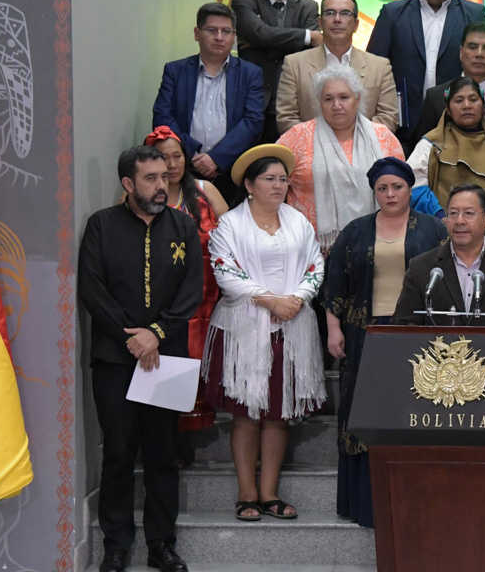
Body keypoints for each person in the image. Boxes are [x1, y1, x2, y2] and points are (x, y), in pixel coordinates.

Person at [78, 146, 202, 572]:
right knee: (117, 452)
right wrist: (131, 338)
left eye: (164, 177)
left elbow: (191, 291)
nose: (161, 185)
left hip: (167, 358)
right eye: (150, 178)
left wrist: (156, 334)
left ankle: (161, 545)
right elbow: (92, 289)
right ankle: (116, 545)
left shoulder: (183, 227)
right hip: (116, 358)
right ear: (128, 184)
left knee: (162, 453)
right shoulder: (102, 226)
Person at [203, 145, 326, 522]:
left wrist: (299, 297)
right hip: (243, 329)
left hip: (291, 326)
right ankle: (246, 493)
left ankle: (270, 493)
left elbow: (315, 264)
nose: (278, 185)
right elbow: (225, 272)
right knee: (246, 414)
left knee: (278, 413)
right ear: (249, 185)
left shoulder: (298, 222)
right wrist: (270, 301)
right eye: (269, 179)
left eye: (283, 179)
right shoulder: (230, 225)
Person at [323, 157, 448, 527]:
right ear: (374, 191)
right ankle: (364, 503)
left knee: (414, 412)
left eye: (397, 187)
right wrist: (334, 328)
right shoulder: (355, 231)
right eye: (382, 188)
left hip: (418, 335)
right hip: (364, 334)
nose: (390, 194)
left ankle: (416, 500)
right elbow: (334, 285)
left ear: (411, 189)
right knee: (364, 412)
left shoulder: (433, 230)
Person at [143, 127, 229, 462]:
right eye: (164, 157)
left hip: (206, 295)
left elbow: (233, 234)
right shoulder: (142, 196)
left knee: (197, 357)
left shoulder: (205, 190)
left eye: (177, 155)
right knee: (167, 361)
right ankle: (168, 442)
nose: (173, 163)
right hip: (162, 301)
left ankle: (193, 431)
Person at [367, 0, 485, 145]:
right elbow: (373, 68)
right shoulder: (392, 14)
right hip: (403, 126)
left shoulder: (474, 13)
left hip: (461, 126)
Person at [277, 64, 404, 253]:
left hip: (374, 247)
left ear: (358, 99)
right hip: (309, 249)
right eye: (328, 99)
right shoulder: (296, 137)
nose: (336, 105)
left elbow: (402, 190)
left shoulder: (383, 137)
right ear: (320, 102)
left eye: (344, 97)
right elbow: (269, 179)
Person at [153, 2, 265, 206]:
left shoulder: (250, 73)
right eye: (211, 30)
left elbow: (253, 121)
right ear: (197, 33)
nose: (219, 37)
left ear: (234, 36)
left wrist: (216, 158)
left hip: (232, 172)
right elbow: (163, 116)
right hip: (183, 170)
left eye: (226, 31)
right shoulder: (175, 71)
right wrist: (190, 154)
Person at [392, 183, 485, 328]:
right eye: (453, 213)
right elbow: (403, 325)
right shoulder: (422, 268)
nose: (460, 221)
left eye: (469, 213)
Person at [231, 0, 321, 144]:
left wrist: (263, 42)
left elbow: (309, 54)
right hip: (253, 102)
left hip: (295, 104)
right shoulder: (244, 2)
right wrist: (307, 37)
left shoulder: (308, 6)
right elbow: (260, 33)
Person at [275, 0, 398, 134]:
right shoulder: (294, 64)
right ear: (320, 23)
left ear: (356, 25)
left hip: (366, 152)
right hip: (311, 152)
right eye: (330, 13)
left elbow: (388, 118)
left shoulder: (380, 66)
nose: (337, 19)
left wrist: (350, 142)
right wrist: (324, 142)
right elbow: (286, 119)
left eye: (345, 13)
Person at [406, 77, 485, 214]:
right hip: (444, 228)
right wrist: (439, 216)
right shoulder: (432, 144)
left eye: (473, 99)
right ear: (448, 109)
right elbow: (414, 187)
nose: (467, 105)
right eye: (459, 100)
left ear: (483, 107)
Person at [415, 22, 485, 152]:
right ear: (461, 52)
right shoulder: (436, 96)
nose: (479, 54)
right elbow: (423, 148)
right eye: (472, 47)